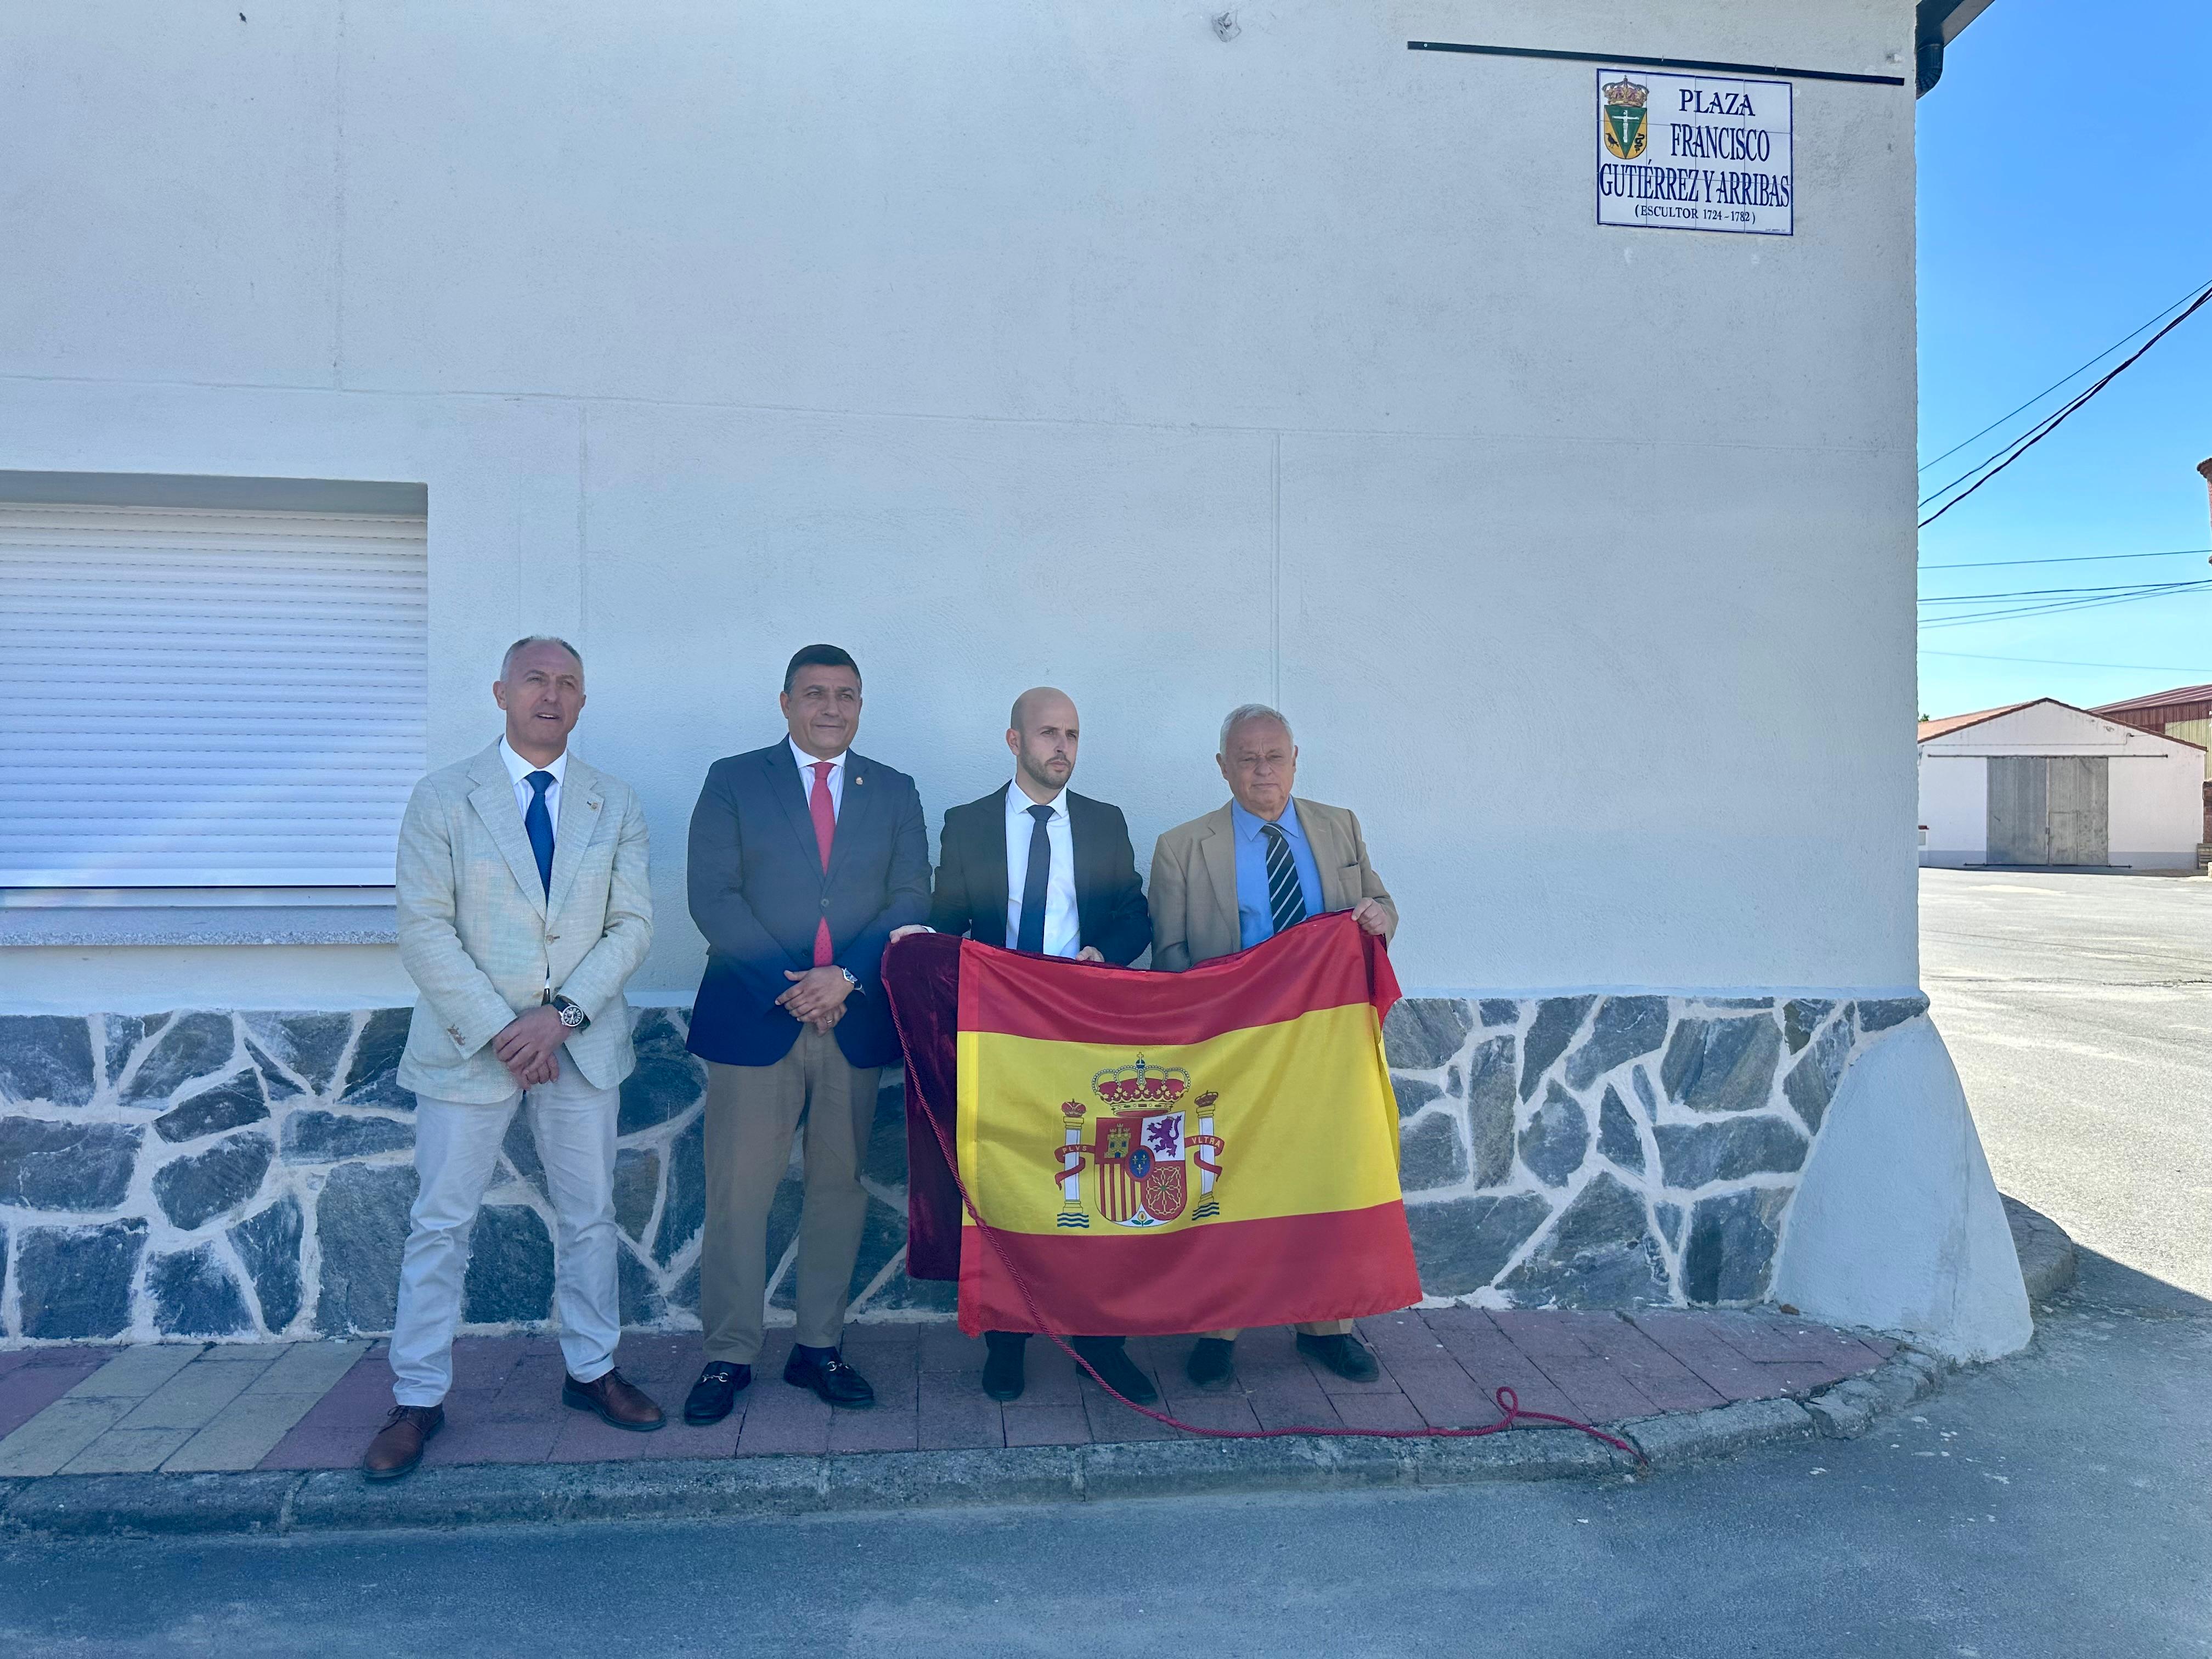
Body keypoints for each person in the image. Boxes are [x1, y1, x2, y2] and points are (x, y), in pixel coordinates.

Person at [365, 636, 661, 1480]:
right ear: (500, 691)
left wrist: (559, 1017)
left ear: (582, 699)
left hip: (580, 1043)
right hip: (471, 1048)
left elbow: (632, 926)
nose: (552, 694)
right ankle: (418, 1398)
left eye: (569, 682)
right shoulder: (442, 797)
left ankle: (592, 1371)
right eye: (535, 679)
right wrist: (507, 1028)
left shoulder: (615, 803)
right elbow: (423, 928)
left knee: (590, 1216)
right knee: (440, 1224)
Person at [681, 645, 929, 1420]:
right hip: (758, 1015)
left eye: (847, 696)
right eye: (816, 694)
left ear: (861, 706)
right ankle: (728, 1356)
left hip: (853, 1018)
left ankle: (819, 1347)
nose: (831, 708)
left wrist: (845, 977)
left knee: (838, 1189)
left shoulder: (892, 790)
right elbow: (712, 897)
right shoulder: (733, 780)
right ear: (785, 702)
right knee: (737, 1196)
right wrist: (795, 989)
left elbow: (910, 894)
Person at [1148, 702, 1399, 1391]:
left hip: (1324, 1046)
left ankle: (1327, 1329)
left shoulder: (1339, 826)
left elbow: (1379, 905)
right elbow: (1169, 955)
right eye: (1248, 758)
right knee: (1230, 1182)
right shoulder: (1181, 847)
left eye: (1275, 756)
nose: (1263, 770)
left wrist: (1381, 916)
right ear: (1222, 766)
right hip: (1234, 1049)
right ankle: (1218, 1330)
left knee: (1326, 1179)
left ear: (1295, 758)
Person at [925, 686, 1155, 1405]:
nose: (1063, 748)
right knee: (1008, 1185)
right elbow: (945, 922)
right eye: (1049, 734)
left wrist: (1099, 951)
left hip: (1087, 1034)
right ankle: (1009, 1342)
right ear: (1014, 741)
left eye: (1074, 736)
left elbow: (1134, 914)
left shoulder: (1104, 822)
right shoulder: (965, 825)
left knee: (1096, 1182)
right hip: (1002, 1034)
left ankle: (1101, 1342)